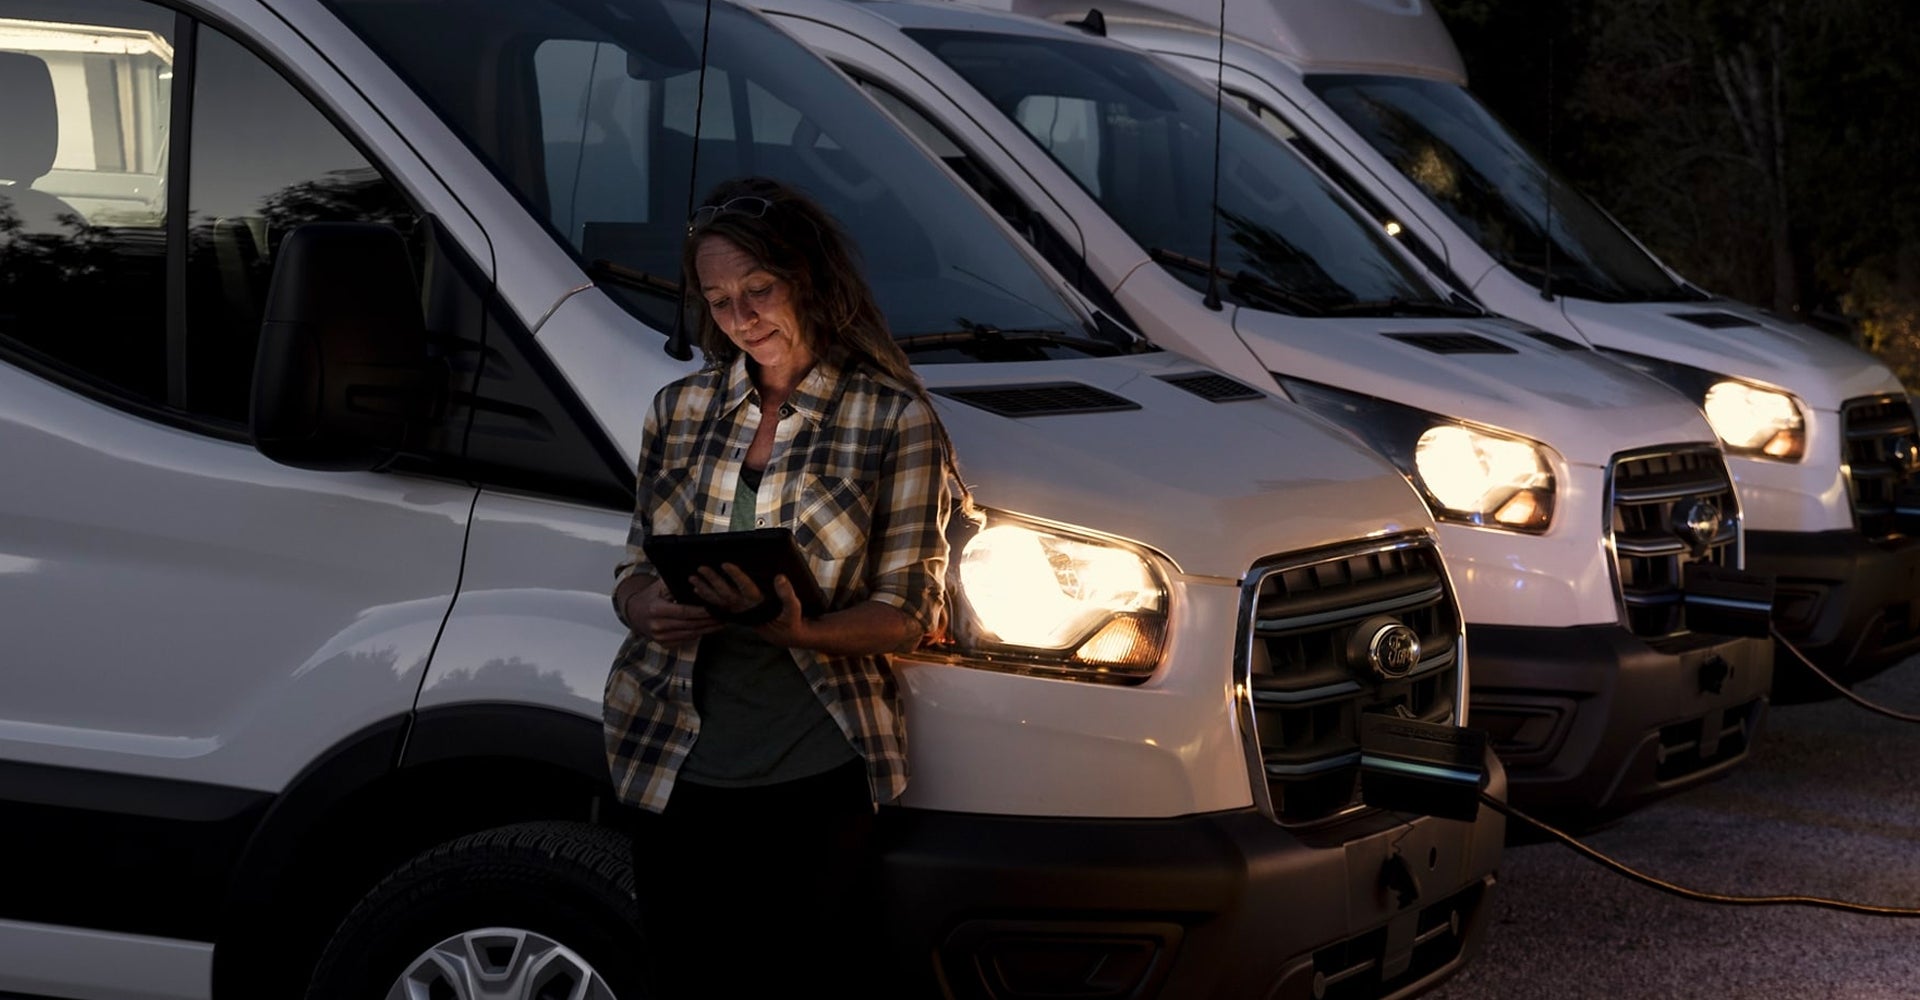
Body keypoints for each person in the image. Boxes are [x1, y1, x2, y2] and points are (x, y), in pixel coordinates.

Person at [604, 176, 967, 998]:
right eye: (719, 299)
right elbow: (633, 566)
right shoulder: (680, 410)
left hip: (813, 768)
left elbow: (910, 611)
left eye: (758, 290)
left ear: (804, 279)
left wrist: (803, 631)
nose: (741, 317)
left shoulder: (891, 418)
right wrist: (646, 608)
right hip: (669, 755)